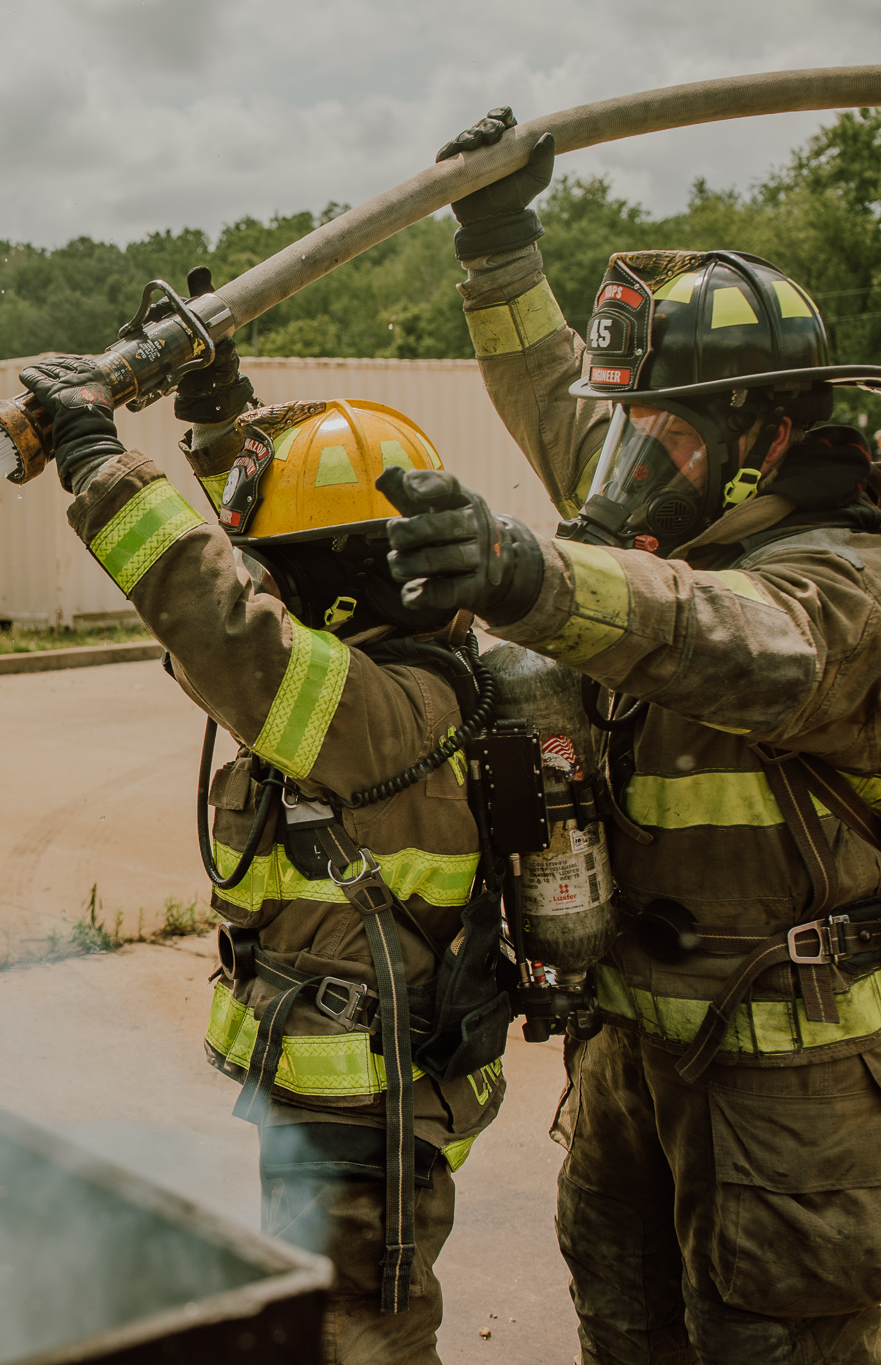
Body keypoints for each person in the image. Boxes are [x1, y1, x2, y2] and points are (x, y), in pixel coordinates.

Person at [371, 107, 881, 1364]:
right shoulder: (665, 494)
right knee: (622, 1323)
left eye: (666, 434)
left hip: (790, 1098)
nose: (621, 468)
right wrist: (495, 238)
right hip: (624, 1055)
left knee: (768, 1344)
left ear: (768, 428)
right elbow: (555, 394)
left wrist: (521, 572)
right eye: (627, 429)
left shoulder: (844, 579)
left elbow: (726, 639)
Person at [19, 356, 514, 1364]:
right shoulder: (385, 674)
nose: (260, 579)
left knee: (352, 1348)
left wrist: (94, 458)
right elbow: (238, 566)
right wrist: (211, 415)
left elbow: (214, 616)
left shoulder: (382, 712)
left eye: (284, 568)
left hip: (368, 1132)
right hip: (340, 1114)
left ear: (333, 581)